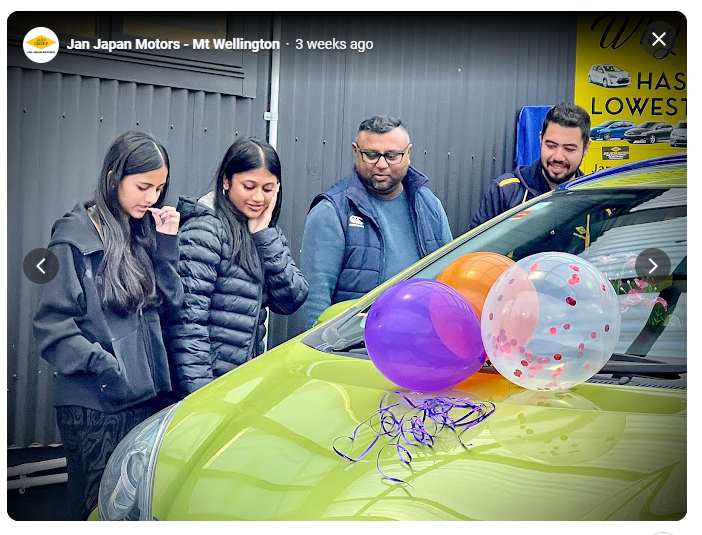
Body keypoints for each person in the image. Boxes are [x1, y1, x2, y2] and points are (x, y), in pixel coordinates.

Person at [32, 131, 183, 520]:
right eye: (143, 186)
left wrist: (167, 245)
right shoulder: (72, 237)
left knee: (133, 509)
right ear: (114, 178)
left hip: (143, 401)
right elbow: (52, 326)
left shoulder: (143, 231)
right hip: (94, 405)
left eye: (160, 188)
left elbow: (172, 305)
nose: (152, 198)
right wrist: (105, 367)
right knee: (93, 510)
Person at [165, 137, 308, 397]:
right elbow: (188, 322)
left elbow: (291, 299)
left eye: (268, 189)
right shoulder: (204, 230)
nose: (258, 197)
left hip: (241, 383)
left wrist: (264, 236)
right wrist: (202, 396)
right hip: (208, 389)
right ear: (226, 181)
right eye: (249, 186)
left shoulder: (264, 231)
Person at [300, 115, 453, 330]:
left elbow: (448, 281)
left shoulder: (430, 206)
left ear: (408, 153)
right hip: (355, 351)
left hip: (422, 345)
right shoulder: (332, 210)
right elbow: (315, 298)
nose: (381, 164)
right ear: (356, 152)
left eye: (392, 156)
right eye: (371, 155)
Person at [470, 102, 591, 228]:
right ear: (540, 139)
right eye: (551, 146)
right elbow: (474, 246)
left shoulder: (596, 201)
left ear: (586, 148)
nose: (558, 157)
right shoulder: (505, 191)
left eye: (569, 149)